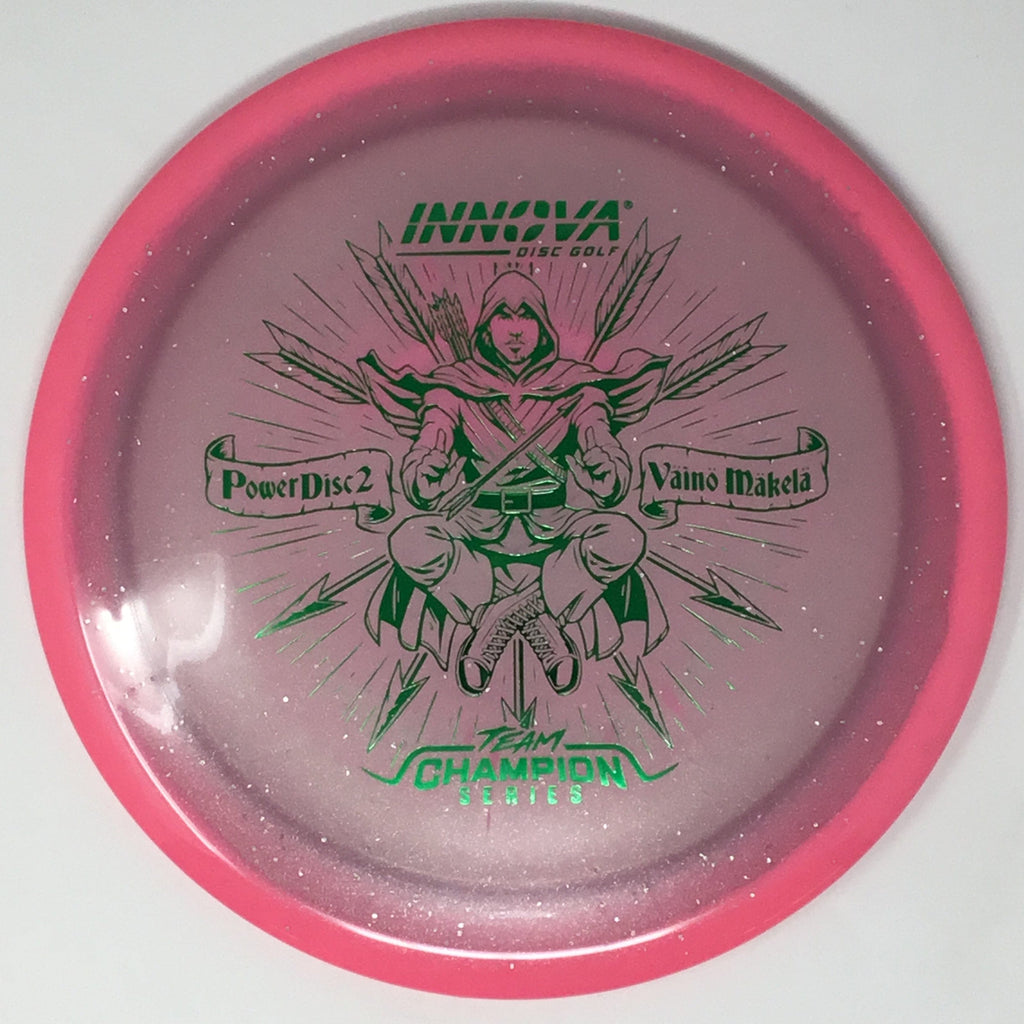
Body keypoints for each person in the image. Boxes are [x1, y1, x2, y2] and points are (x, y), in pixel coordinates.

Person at [361, 271, 669, 695]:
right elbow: (430, 443)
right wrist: (424, 470)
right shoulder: (452, 387)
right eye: (504, 317)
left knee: (624, 536)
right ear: (487, 327)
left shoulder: (577, 386)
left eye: (526, 317)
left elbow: (600, 440)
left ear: (542, 326)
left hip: (556, 520)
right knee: (410, 539)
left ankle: (498, 619)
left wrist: (606, 465)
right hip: (476, 521)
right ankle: (537, 620)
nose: (516, 330)